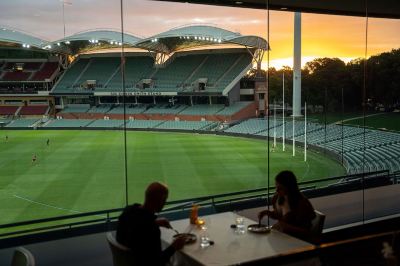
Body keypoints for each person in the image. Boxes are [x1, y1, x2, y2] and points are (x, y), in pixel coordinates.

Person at [116, 182, 186, 266]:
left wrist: (155, 222)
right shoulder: (151, 229)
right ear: (160, 201)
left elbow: (137, 226)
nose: (164, 203)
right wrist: (174, 246)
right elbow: (157, 262)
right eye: (165, 200)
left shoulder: (128, 211)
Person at [258, 170, 316, 242]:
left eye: (280, 188)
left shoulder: (302, 203)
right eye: (276, 186)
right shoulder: (278, 198)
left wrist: (286, 226)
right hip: (283, 237)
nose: (277, 190)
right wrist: (266, 212)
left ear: (289, 187)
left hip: (298, 241)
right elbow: (278, 215)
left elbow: (307, 232)